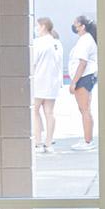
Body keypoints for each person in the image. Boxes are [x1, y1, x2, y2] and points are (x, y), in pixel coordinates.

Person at [32, 17, 63, 153]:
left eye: (37, 26)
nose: (36, 29)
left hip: (39, 81)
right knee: (49, 112)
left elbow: (32, 63)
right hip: (53, 83)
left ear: (43, 26)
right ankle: (49, 143)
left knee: (34, 111)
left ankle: (38, 143)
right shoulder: (57, 43)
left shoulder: (38, 43)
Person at [68, 15, 98, 151]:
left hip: (83, 78)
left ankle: (88, 141)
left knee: (85, 109)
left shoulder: (85, 40)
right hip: (84, 77)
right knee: (84, 109)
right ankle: (87, 139)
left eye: (75, 24)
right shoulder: (85, 39)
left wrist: (73, 82)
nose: (73, 26)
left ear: (82, 26)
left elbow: (82, 63)